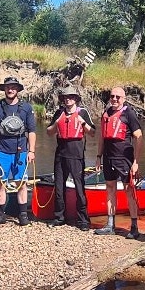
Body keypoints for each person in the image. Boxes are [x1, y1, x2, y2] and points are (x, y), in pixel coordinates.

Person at [0, 75, 36, 226]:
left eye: (13, 87)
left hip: (21, 151)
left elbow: (32, 131)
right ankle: (0, 214)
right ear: (4, 89)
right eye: (8, 87)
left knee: (22, 182)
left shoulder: (26, 108)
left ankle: (22, 215)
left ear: (18, 90)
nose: (10, 89)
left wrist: (31, 151)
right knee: (0, 182)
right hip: (1, 151)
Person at [95, 86, 143, 239]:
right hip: (109, 157)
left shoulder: (129, 114)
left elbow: (138, 137)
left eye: (118, 97)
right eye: (112, 96)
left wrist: (136, 161)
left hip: (124, 158)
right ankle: (110, 224)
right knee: (110, 188)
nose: (114, 99)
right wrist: (98, 156)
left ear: (124, 99)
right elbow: (102, 137)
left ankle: (134, 226)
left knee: (129, 190)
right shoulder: (106, 114)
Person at [46, 85, 94, 229]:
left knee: (80, 188)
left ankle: (83, 220)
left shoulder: (83, 112)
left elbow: (92, 132)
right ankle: (59, 217)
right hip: (61, 153)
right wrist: (56, 123)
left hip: (76, 154)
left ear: (76, 99)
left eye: (71, 97)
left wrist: (82, 122)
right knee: (59, 187)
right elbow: (49, 132)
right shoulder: (59, 112)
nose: (68, 99)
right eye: (66, 97)